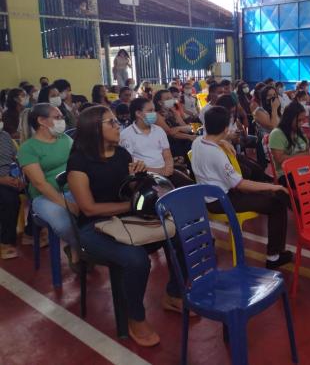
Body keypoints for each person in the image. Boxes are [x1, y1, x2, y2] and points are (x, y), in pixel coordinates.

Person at [66, 105, 186, 347]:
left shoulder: (121, 154)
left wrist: (137, 177)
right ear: (94, 130)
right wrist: (131, 206)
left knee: (179, 234)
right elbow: (88, 209)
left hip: (126, 219)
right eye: (110, 123)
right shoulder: (79, 162)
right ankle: (135, 317)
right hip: (94, 227)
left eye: (115, 121)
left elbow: (128, 191)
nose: (117, 126)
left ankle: (173, 294)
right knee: (136, 259)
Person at [191, 106, 292, 268]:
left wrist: (223, 141)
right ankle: (274, 257)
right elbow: (241, 184)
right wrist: (273, 187)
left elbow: (209, 139)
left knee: (274, 197)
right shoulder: (216, 154)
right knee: (277, 203)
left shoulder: (197, 142)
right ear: (225, 128)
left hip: (208, 196)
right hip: (221, 200)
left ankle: (276, 252)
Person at [17, 103, 80, 268]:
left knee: (95, 209)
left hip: (73, 188)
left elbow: (80, 162)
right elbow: (40, 184)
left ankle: (84, 246)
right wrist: (69, 205)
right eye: (57, 117)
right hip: (44, 197)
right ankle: (76, 249)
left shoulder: (65, 139)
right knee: (63, 223)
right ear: (42, 121)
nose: (62, 120)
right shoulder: (28, 148)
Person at [268, 102, 310, 206]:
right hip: (286, 173)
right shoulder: (277, 133)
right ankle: (307, 207)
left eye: (303, 120)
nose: (302, 123)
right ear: (289, 118)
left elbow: (306, 151)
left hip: (305, 169)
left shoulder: (300, 132)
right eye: (299, 120)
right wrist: (307, 154)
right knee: (309, 180)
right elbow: (280, 159)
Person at [120, 98, 193, 188]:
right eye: (150, 111)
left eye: (154, 110)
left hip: (165, 171)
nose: (154, 114)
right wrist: (160, 171)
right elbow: (131, 165)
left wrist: (169, 168)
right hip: (144, 176)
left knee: (189, 186)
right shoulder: (126, 135)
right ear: (138, 113)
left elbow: (167, 154)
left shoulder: (158, 130)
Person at [0, 110, 24, 259]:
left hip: (12, 176)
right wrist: (2, 179)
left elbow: (16, 158)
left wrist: (21, 177)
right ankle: (5, 242)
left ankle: (30, 232)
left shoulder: (5, 136)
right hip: (2, 180)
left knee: (38, 190)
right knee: (10, 200)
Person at [153, 90, 196, 160]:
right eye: (167, 99)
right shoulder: (156, 115)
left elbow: (185, 126)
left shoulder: (172, 112)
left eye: (171, 98)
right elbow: (169, 133)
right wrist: (189, 136)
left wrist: (187, 133)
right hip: (170, 144)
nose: (171, 100)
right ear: (160, 102)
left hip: (182, 139)